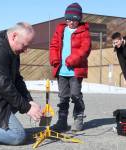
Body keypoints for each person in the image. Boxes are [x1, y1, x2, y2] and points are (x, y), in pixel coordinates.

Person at [0, 22, 42, 145]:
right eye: (24, 45)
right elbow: (4, 85)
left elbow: (17, 78)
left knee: (16, 113)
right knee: (17, 136)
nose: (26, 50)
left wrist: (29, 100)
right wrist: (27, 108)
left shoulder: (12, 50)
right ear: (14, 36)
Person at [49, 2, 91, 132]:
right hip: (62, 70)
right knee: (63, 96)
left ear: (79, 20)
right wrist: (54, 58)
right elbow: (54, 45)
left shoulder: (84, 32)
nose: (70, 22)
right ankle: (62, 121)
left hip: (75, 70)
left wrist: (73, 59)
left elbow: (85, 49)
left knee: (75, 94)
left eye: (74, 20)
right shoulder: (61, 29)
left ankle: (78, 117)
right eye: (68, 19)